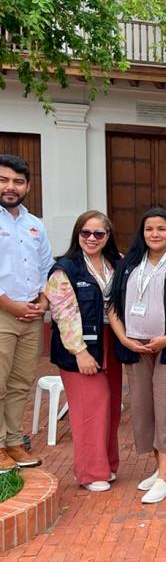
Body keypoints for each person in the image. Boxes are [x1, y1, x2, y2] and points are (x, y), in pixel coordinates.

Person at [108, 207, 166, 503]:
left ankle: (165, 479)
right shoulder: (128, 265)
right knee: (145, 409)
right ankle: (162, 469)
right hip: (136, 348)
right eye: (149, 229)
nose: (155, 234)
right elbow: (112, 306)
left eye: (161, 229)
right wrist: (124, 338)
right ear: (142, 232)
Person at [45, 211, 122, 491]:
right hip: (78, 345)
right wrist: (79, 352)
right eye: (85, 233)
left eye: (98, 234)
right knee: (91, 407)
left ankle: (107, 464)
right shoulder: (64, 268)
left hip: (111, 342)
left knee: (111, 406)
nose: (91, 238)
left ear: (107, 237)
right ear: (77, 235)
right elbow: (64, 314)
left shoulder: (117, 263)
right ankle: (90, 472)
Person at [0, 154, 53, 472]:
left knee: (20, 383)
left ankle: (14, 442)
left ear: (28, 186)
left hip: (32, 315)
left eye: (18, 181)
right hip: (3, 312)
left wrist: (44, 302)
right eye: (4, 180)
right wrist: (7, 303)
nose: (10, 187)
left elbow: (47, 268)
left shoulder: (36, 225)